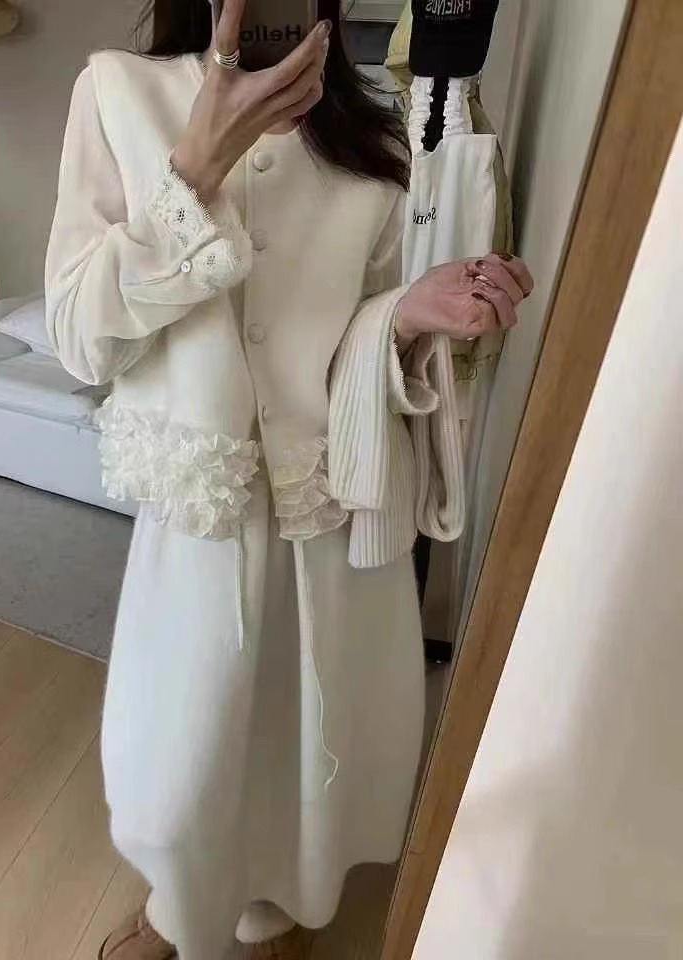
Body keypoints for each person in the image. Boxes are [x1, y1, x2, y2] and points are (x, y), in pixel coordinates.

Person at [45, 1, 533, 958]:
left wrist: (411, 313)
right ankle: (180, 912)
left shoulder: (373, 136)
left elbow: (358, 333)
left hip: (330, 515)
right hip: (201, 528)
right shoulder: (118, 92)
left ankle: (275, 915)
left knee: (311, 757)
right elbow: (78, 338)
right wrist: (195, 167)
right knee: (178, 767)